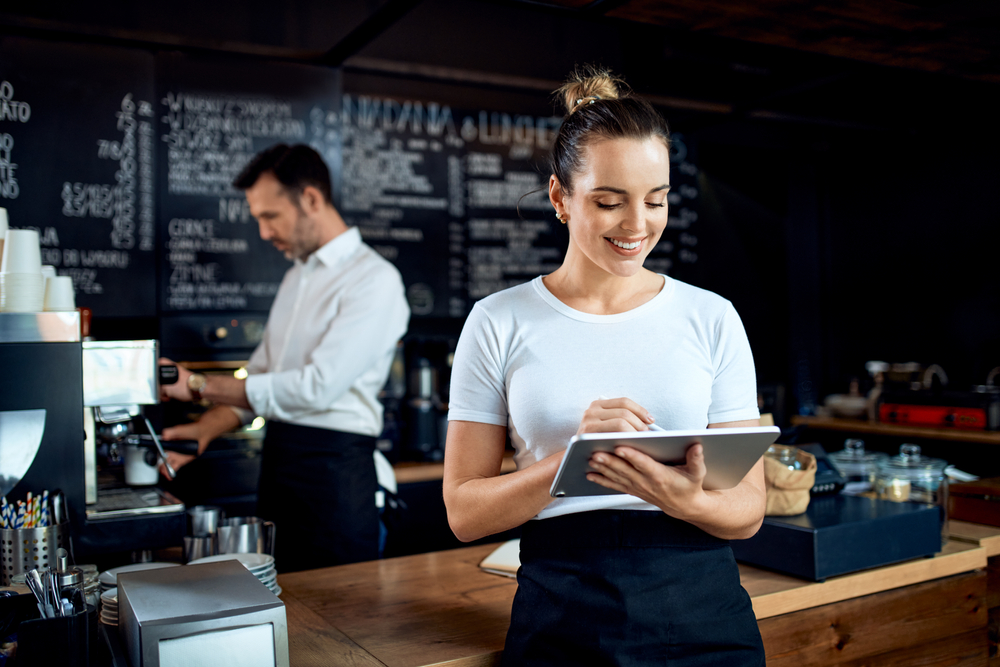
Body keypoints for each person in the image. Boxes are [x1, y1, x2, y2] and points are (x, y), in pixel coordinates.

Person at [443, 67, 766, 666]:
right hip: (563, 613)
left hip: (705, 613)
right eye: (609, 202)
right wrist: (577, 455)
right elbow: (464, 513)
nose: (637, 226)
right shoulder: (497, 321)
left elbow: (747, 509)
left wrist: (684, 499)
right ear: (559, 198)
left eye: (657, 200)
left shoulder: (712, 316)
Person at [159, 144, 410, 572]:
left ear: (311, 199)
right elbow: (262, 378)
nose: (262, 232)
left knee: (342, 623)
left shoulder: (375, 280)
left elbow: (316, 388)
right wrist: (203, 429)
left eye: (269, 216)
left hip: (334, 474)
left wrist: (199, 385)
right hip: (279, 466)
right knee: (282, 604)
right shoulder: (297, 276)